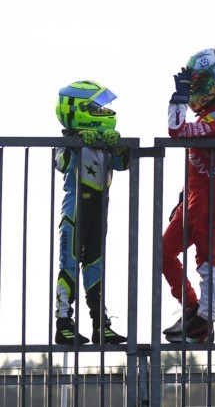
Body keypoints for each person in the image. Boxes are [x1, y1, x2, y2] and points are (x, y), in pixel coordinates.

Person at [161, 47, 215, 344]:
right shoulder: (208, 114)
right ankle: (191, 308)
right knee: (164, 252)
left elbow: (176, 129)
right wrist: (182, 197)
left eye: (197, 82)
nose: (192, 88)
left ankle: (206, 321)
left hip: (210, 194)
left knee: (207, 257)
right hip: (192, 194)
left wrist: (178, 98)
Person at [53, 81, 130, 345]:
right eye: (97, 109)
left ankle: (101, 325)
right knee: (69, 264)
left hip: (99, 210)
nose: (103, 112)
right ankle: (63, 324)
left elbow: (123, 163)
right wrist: (75, 143)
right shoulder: (66, 140)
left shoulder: (103, 141)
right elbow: (61, 163)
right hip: (75, 211)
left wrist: (118, 145)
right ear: (78, 111)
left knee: (95, 265)